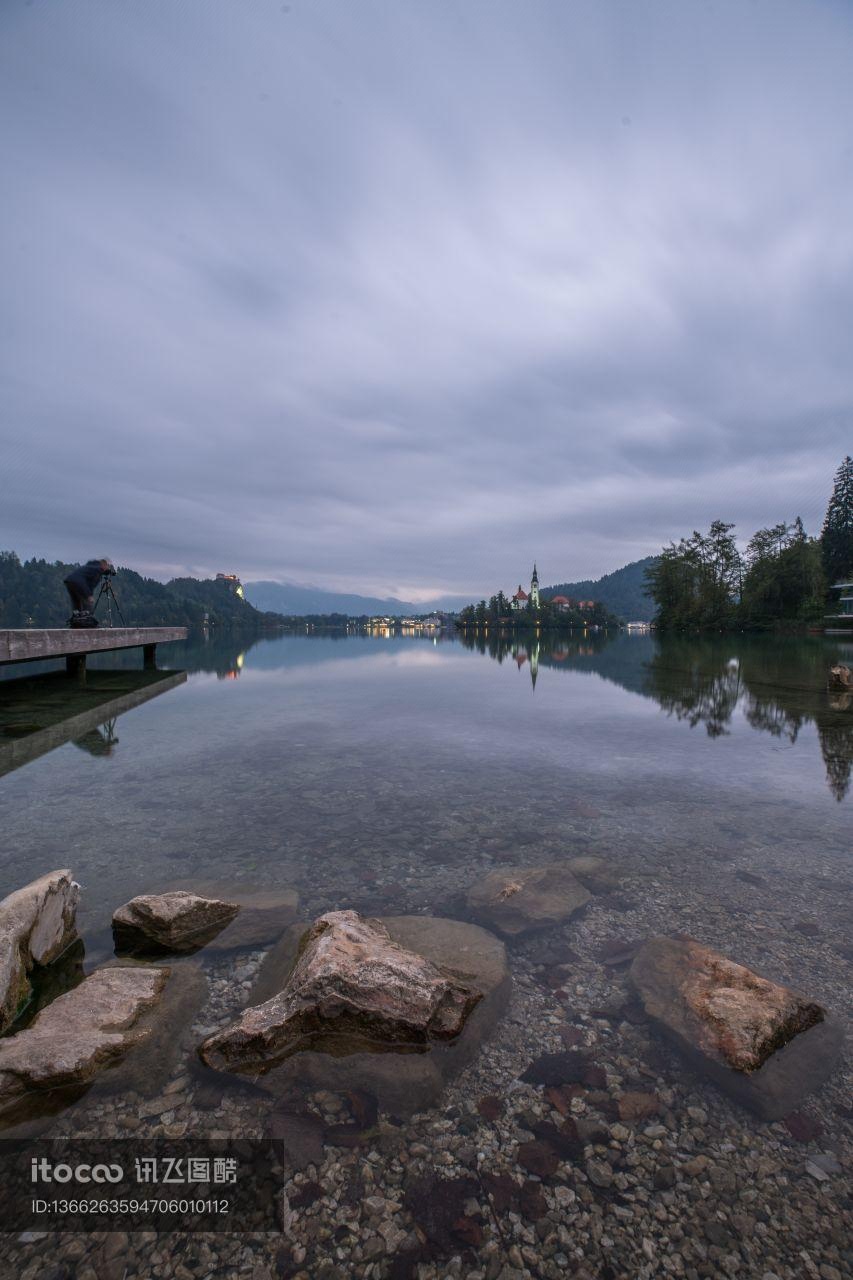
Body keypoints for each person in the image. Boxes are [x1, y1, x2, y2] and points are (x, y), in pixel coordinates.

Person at [63, 558, 114, 624]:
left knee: (76, 603)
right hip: (79, 583)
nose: (108, 568)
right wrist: (89, 595)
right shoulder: (98, 570)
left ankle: (76, 621)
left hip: (69, 581)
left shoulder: (91, 566)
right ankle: (87, 623)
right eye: (108, 565)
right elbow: (91, 585)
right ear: (103, 565)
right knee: (87, 604)